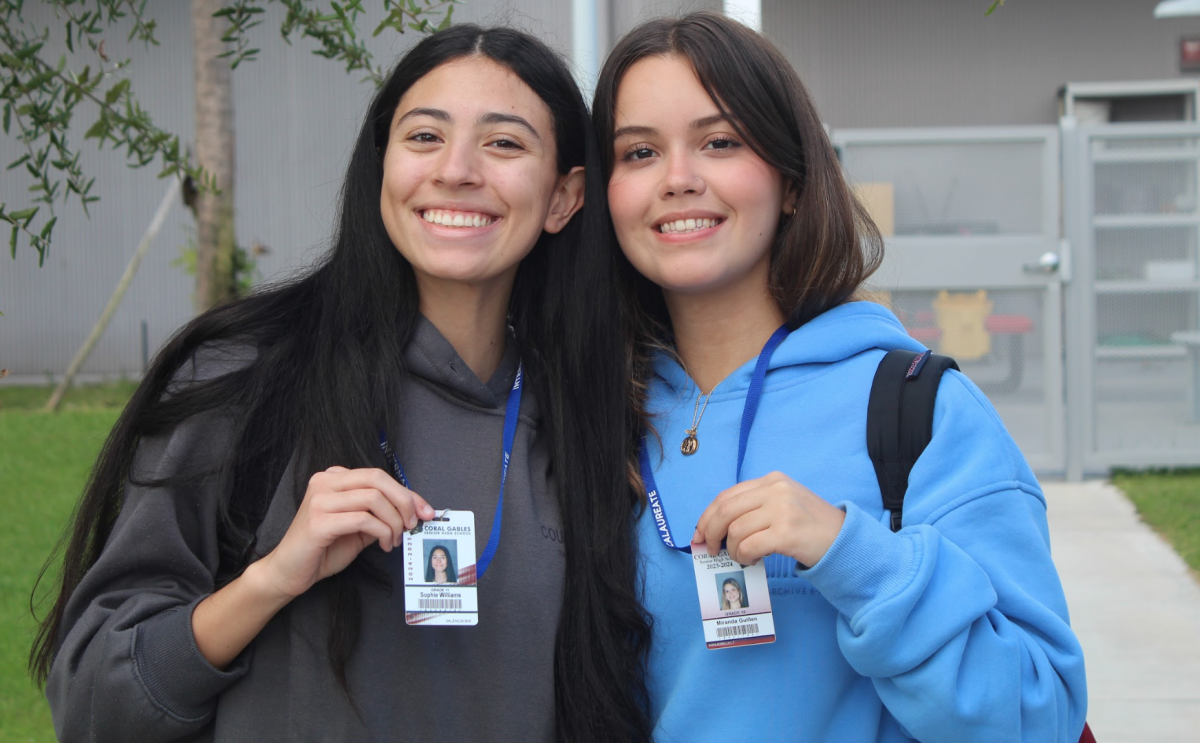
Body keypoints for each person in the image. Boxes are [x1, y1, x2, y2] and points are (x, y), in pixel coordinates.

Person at [31, 24, 651, 743]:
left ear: (563, 197)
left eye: (504, 143)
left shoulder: (589, 419)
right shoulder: (246, 376)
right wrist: (269, 578)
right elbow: (91, 702)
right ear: (381, 162)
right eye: (423, 137)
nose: (456, 170)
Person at [593, 11, 1087, 742]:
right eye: (638, 152)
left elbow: (1037, 714)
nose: (678, 179)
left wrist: (849, 554)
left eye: (720, 142)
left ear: (791, 182)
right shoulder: (584, 408)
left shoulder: (918, 409)